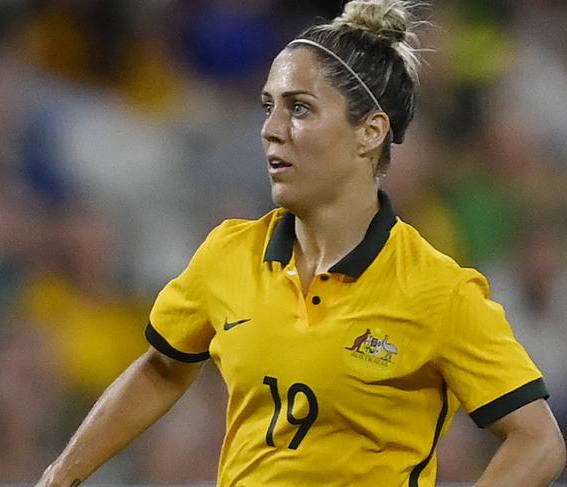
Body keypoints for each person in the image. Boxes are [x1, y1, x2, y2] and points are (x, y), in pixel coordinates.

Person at [35, 1, 566, 486]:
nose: (270, 129)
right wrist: (61, 475)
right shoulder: (228, 252)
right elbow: (161, 368)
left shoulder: (439, 290)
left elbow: (538, 441)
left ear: (370, 132)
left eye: (300, 108)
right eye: (268, 106)